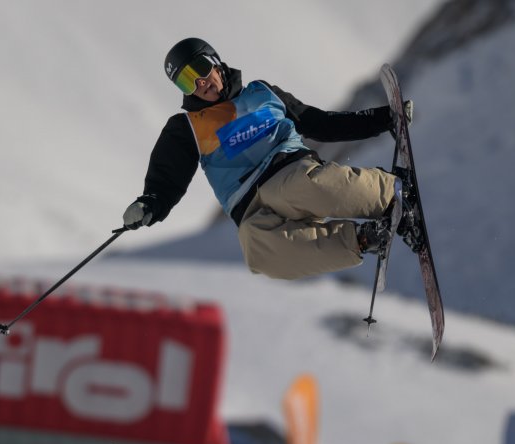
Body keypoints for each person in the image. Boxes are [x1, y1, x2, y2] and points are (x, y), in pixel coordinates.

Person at [122, 37, 412, 280]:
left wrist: (383, 119)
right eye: (186, 82)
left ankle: (391, 193)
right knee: (257, 249)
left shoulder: (262, 93)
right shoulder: (187, 128)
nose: (200, 83)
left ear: (215, 61)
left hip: (285, 170)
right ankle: (364, 239)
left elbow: (320, 123)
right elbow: (167, 177)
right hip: (247, 207)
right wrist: (150, 204)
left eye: (200, 68)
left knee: (306, 187)